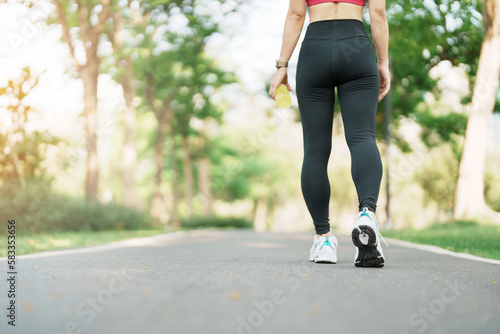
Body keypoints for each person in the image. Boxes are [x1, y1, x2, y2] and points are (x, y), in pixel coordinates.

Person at [269, 0, 390, 267]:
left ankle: (323, 238)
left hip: (316, 51)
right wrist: (383, 62)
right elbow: (378, 13)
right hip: (358, 48)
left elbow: (297, 14)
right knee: (362, 137)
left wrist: (282, 65)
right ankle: (367, 213)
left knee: (315, 149)